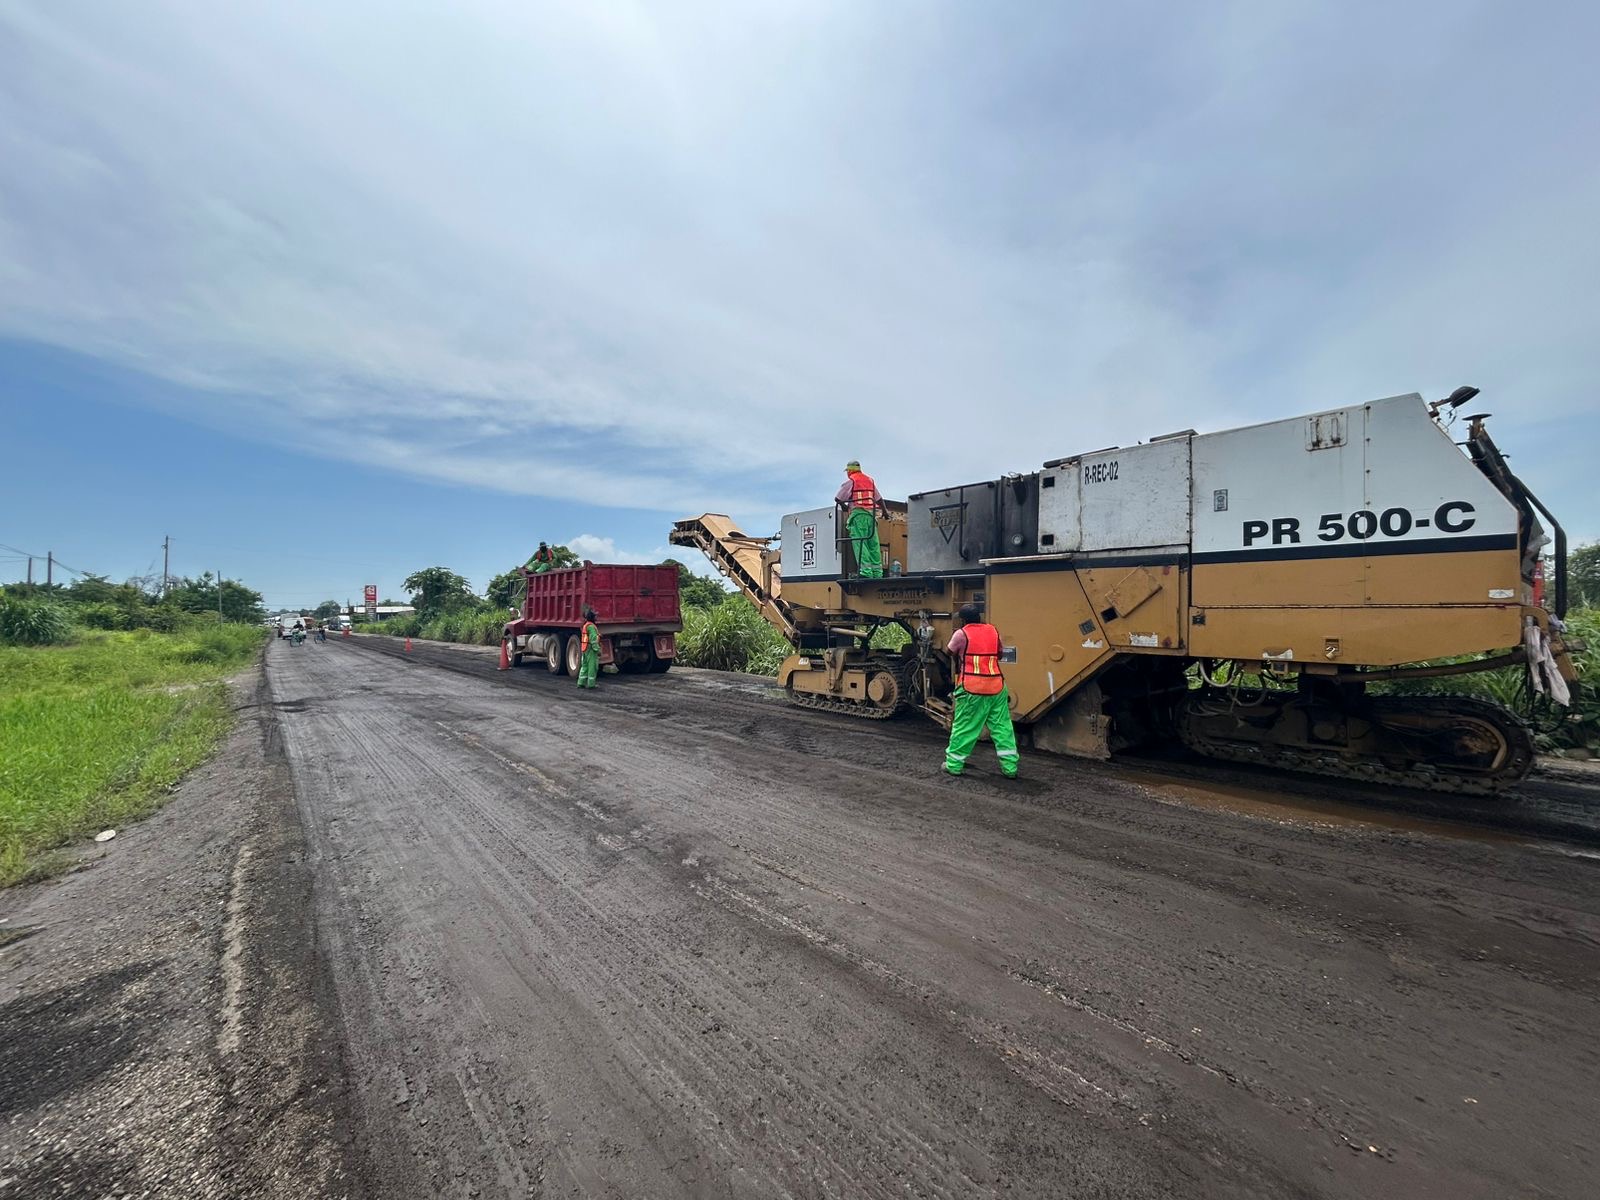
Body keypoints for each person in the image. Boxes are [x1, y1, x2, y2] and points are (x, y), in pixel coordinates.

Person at [942, 603, 1019, 778]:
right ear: (979, 617)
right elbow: (999, 654)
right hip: (997, 686)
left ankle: (953, 765)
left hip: (972, 688)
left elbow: (949, 652)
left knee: (965, 727)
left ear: (963, 620)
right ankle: (1010, 769)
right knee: (1002, 728)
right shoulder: (993, 631)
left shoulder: (961, 633)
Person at [834, 459, 885, 579]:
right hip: (871, 516)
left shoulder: (851, 481)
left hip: (858, 516)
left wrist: (845, 507)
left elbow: (838, 498)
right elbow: (879, 499)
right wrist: (885, 512)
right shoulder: (869, 481)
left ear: (850, 471)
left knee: (860, 543)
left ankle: (866, 572)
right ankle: (877, 573)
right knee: (873, 544)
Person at [576, 605, 601, 689]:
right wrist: (597, 649)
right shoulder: (591, 627)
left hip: (585, 648)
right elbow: (593, 639)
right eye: (595, 616)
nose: (596, 617)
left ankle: (581, 683)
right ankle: (591, 684)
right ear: (592, 617)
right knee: (592, 666)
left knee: (584, 666)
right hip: (591, 649)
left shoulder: (586, 625)